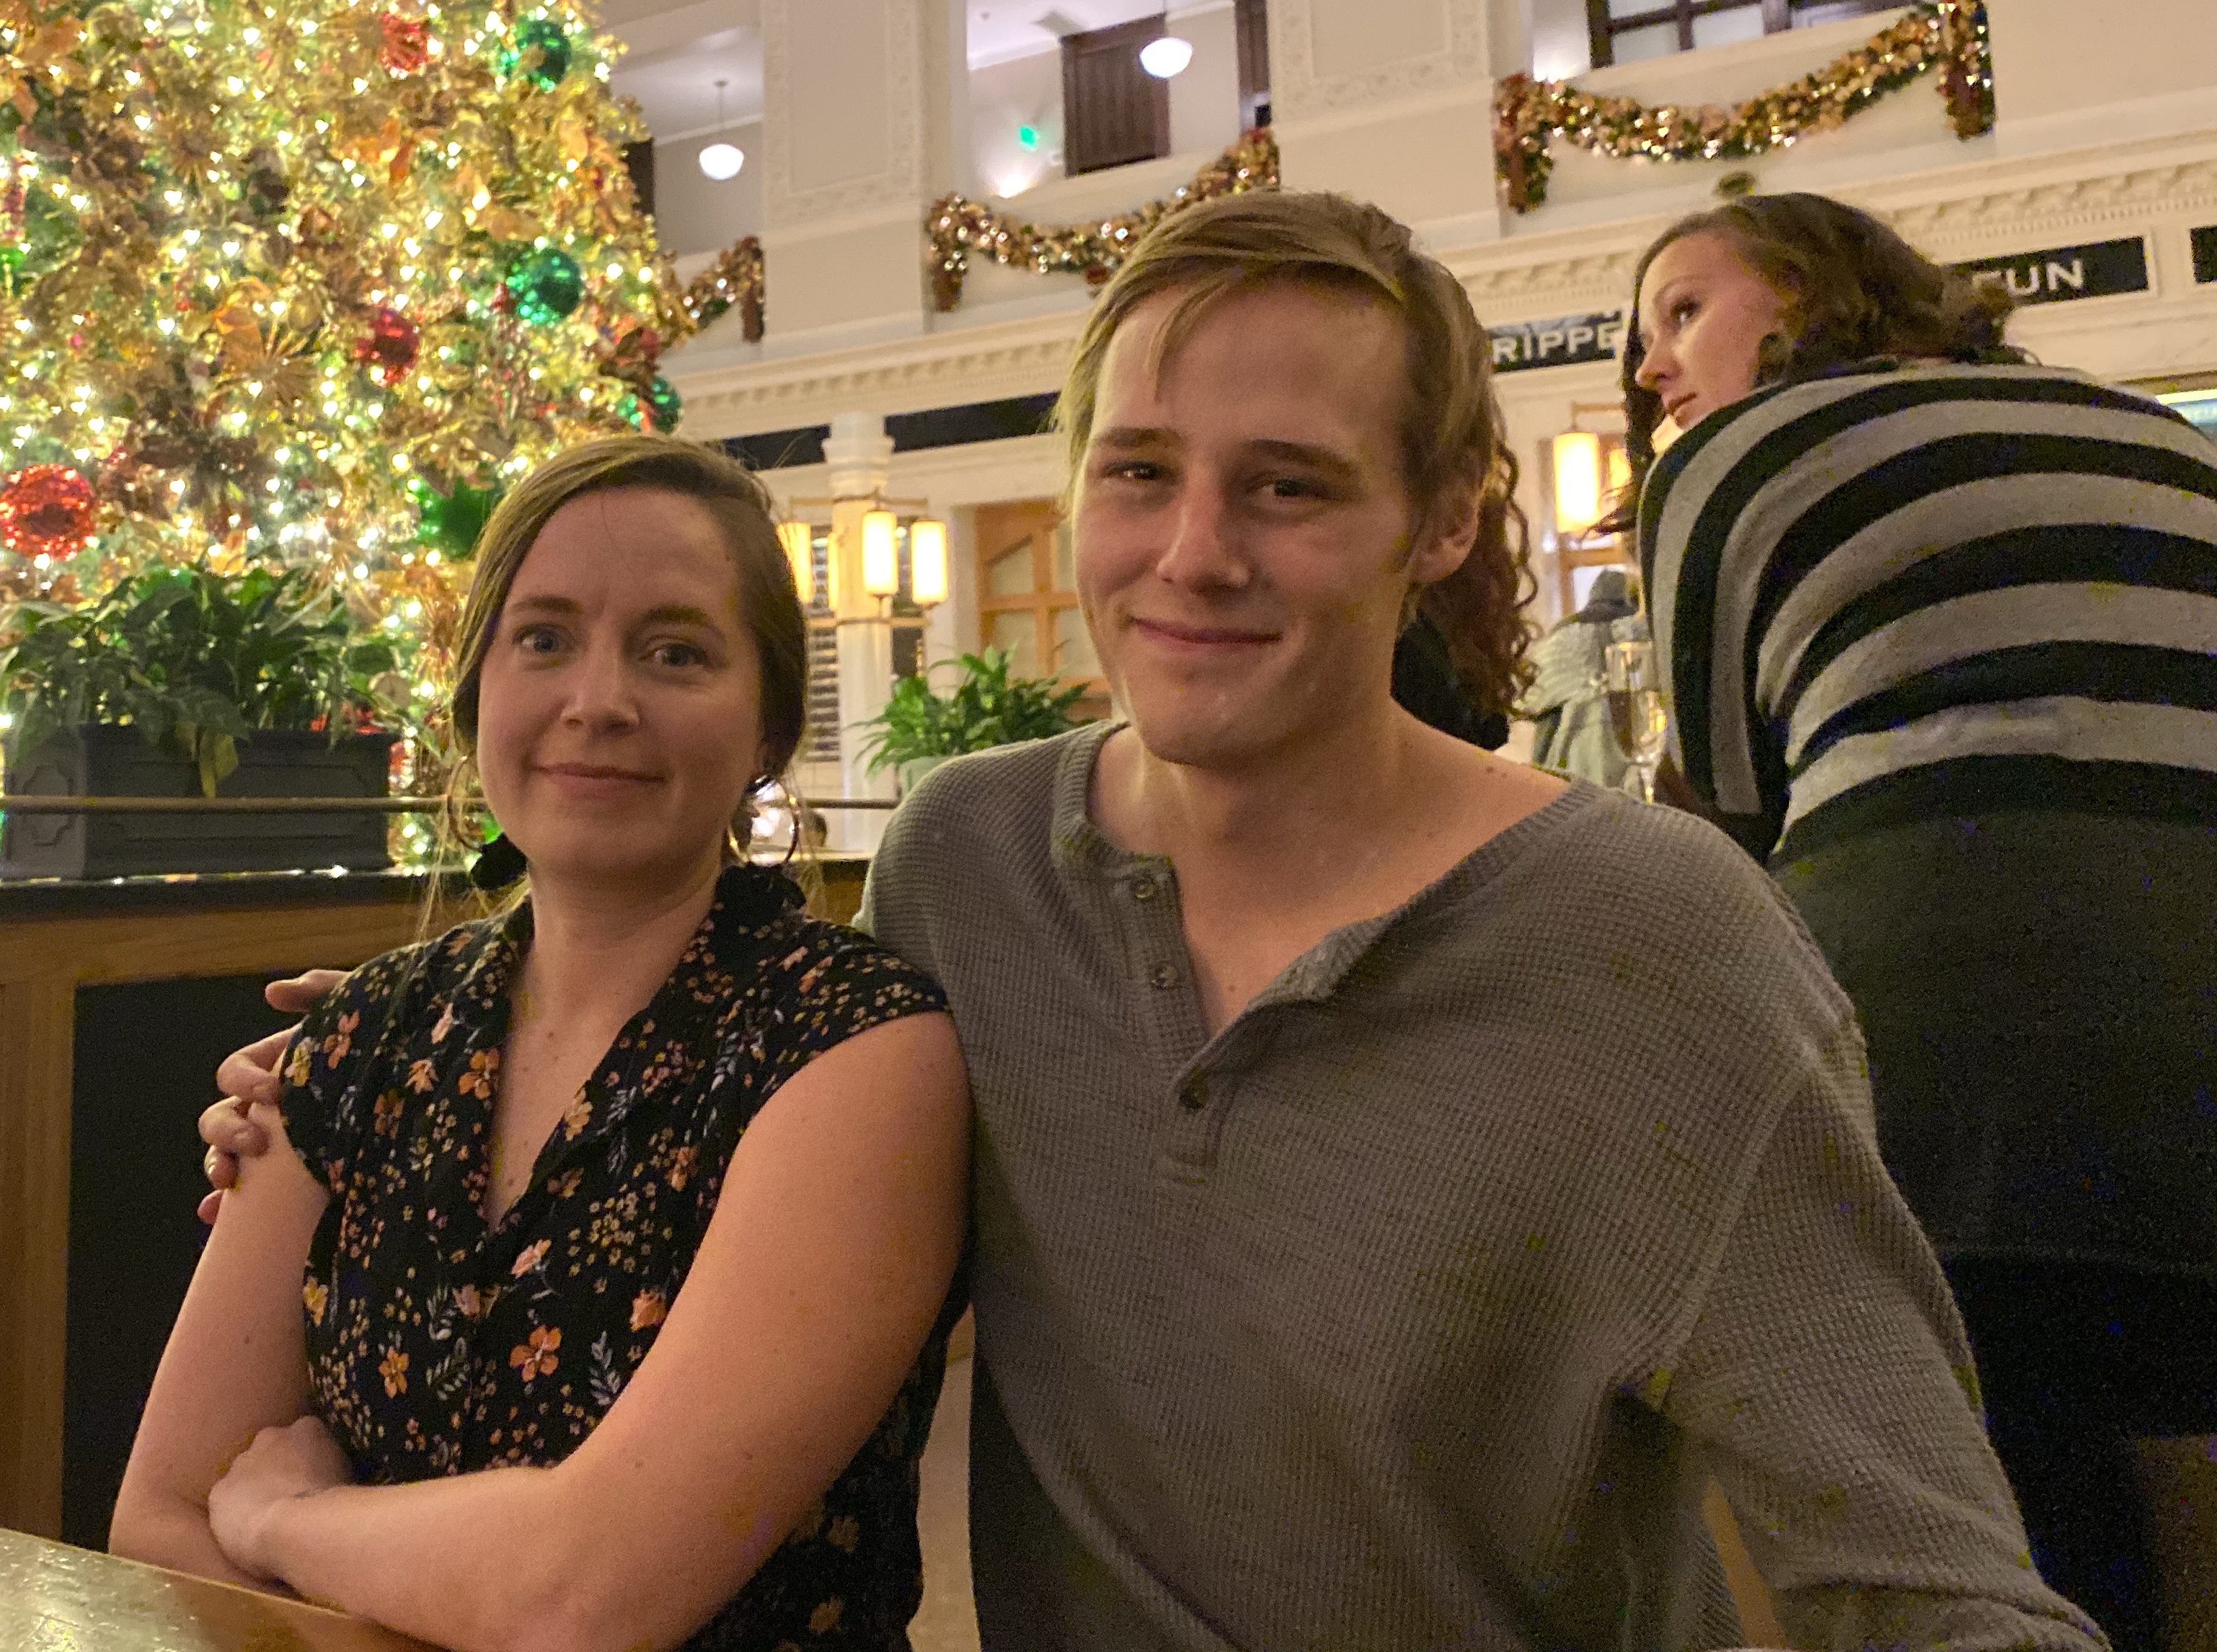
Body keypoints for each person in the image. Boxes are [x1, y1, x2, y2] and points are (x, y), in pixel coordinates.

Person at [211, 191, 2098, 1651]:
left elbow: (1927, 1582)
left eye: (1287, 488)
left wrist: (290, 1511)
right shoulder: (970, 866)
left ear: (1444, 521)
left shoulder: (1657, 945)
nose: (1195, 556)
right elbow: (730, 1078)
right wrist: (403, 1054)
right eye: (1139, 476)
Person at [113, 434, 970, 1651]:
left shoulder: (855, 1042)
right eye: (544, 638)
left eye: (676, 651)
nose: (598, 700)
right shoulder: (364, 1031)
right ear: (477, 695)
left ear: (770, 728)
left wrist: (284, 1519)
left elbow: (588, 1594)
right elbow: (158, 1519)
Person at [1627, 189, 2217, 1651]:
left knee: (1986, 1497)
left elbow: (1727, 830)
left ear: (1807, 292)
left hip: (1941, 1037)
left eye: (1682, 309)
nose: (1650, 365)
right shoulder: (2155, 429)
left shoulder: (1726, 454)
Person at [1523, 567, 1650, 787]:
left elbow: (1531, 700)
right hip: (1628, 746)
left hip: (1566, 749)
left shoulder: (1559, 637)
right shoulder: (1636, 630)